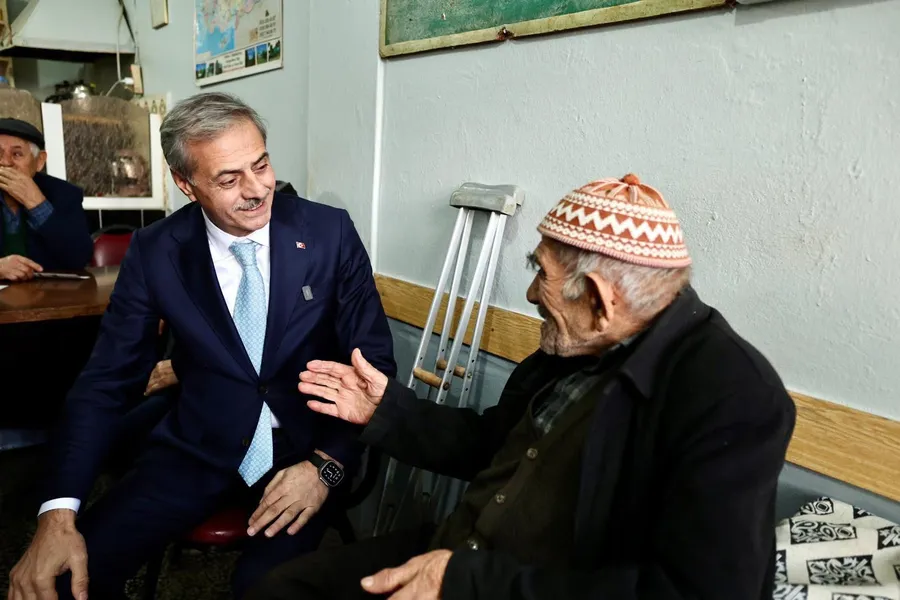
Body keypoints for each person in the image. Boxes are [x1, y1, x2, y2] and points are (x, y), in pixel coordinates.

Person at [248, 175, 797, 600]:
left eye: (541, 274)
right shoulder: (576, 344)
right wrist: (385, 412)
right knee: (284, 590)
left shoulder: (731, 397)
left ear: (599, 299)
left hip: (524, 585)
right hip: (459, 550)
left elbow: (694, 593)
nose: (532, 294)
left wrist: (467, 582)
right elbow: (489, 443)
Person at [7, 92, 396, 599]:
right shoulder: (155, 251)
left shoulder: (328, 232)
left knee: (265, 590)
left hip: (304, 449)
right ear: (185, 184)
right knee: (64, 581)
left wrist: (326, 465)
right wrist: (57, 514)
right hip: (199, 446)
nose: (257, 190)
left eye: (261, 165)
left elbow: (374, 364)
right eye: (229, 179)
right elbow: (106, 382)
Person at [0, 117, 92, 280]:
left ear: (39, 161)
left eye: (17, 154)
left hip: (46, 293)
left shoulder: (65, 194)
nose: (5, 163)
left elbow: (79, 258)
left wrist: (37, 203)